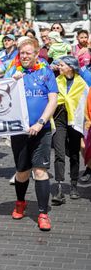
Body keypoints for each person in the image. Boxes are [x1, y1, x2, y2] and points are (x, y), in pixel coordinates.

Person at [5, 38, 58, 231]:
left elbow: (53, 100)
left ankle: (43, 213)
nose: (25, 56)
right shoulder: (13, 72)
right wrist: (12, 81)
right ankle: (20, 202)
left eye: (28, 53)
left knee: (40, 171)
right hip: (19, 131)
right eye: (22, 53)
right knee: (22, 172)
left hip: (41, 131)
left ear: (37, 54)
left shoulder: (46, 72)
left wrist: (41, 122)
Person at [51, 56, 86, 204]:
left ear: (70, 67)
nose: (59, 67)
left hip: (75, 121)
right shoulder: (56, 81)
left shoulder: (82, 84)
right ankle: (59, 189)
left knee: (73, 153)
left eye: (61, 65)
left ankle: (73, 186)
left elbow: (86, 103)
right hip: (59, 118)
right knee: (59, 153)